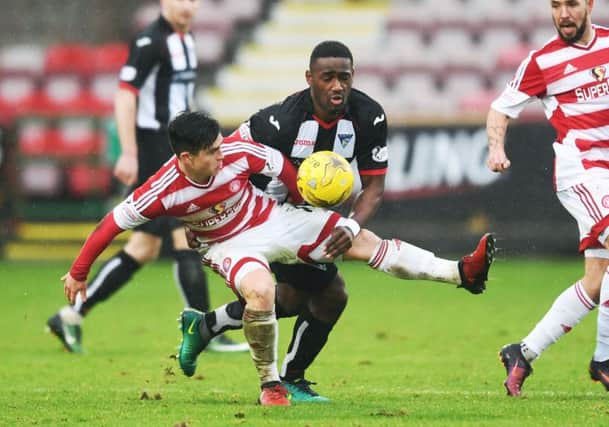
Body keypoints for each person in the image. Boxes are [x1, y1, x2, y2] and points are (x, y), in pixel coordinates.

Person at [62, 111, 495, 406]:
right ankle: (270, 383)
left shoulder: (236, 152)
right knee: (262, 292)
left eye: (220, 144)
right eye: (211, 150)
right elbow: (110, 224)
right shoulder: (162, 190)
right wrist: (79, 272)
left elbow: (281, 167)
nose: (222, 152)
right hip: (228, 247)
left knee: (359, 240)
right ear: (186, 158)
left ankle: (459, 272)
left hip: (272, 218)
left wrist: (301, 199)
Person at [176, 40, 481, 402]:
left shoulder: (368, 116)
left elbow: (374, 186)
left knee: (295, 298)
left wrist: (350, 224)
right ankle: (285, 376)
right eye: (328, 77)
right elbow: (221, 161)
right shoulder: (280, 121)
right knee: (327, 295)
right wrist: (209, 221)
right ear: (310, 79)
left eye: (344, 77)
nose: (337, 85)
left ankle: (207, 326)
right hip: (257, 221)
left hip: (304, 220)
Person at [46, 0, 247, 354]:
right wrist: (129, 151)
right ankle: (204, 329)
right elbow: (126, 95)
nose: (186, 5)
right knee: (182, 237)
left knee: (144, 247)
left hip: (171, 145)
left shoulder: (186, 39)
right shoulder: (150, 41)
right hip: (154, 147)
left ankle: (71, 316)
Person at [487, 0, 609, 397]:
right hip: (581, 173)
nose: (563, 14)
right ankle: (605, 359)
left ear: (589, 4)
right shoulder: (542, 62)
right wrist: (496, 149)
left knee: (595, 282)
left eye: (572, 3)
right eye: (555, 5)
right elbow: (499, 109)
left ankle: (522, 352)